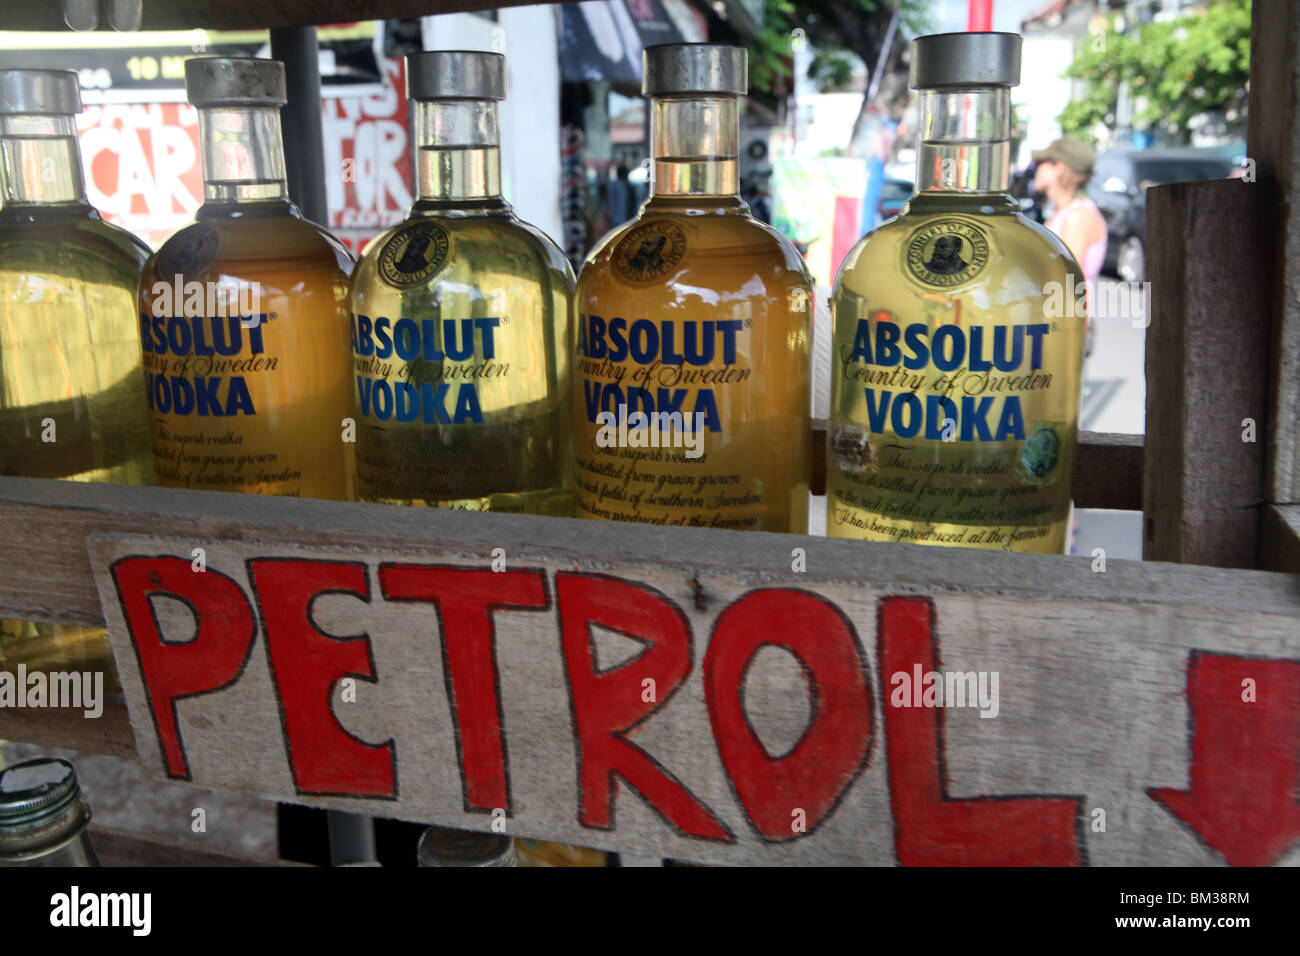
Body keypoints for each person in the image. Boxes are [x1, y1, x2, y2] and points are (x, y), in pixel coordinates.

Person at [1032, 136, 1107, 288]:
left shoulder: (1077, 217)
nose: (1036, 167)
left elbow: (1068, 283)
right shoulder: (1066, 211)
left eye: (1041, 162)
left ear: (1059, 168)